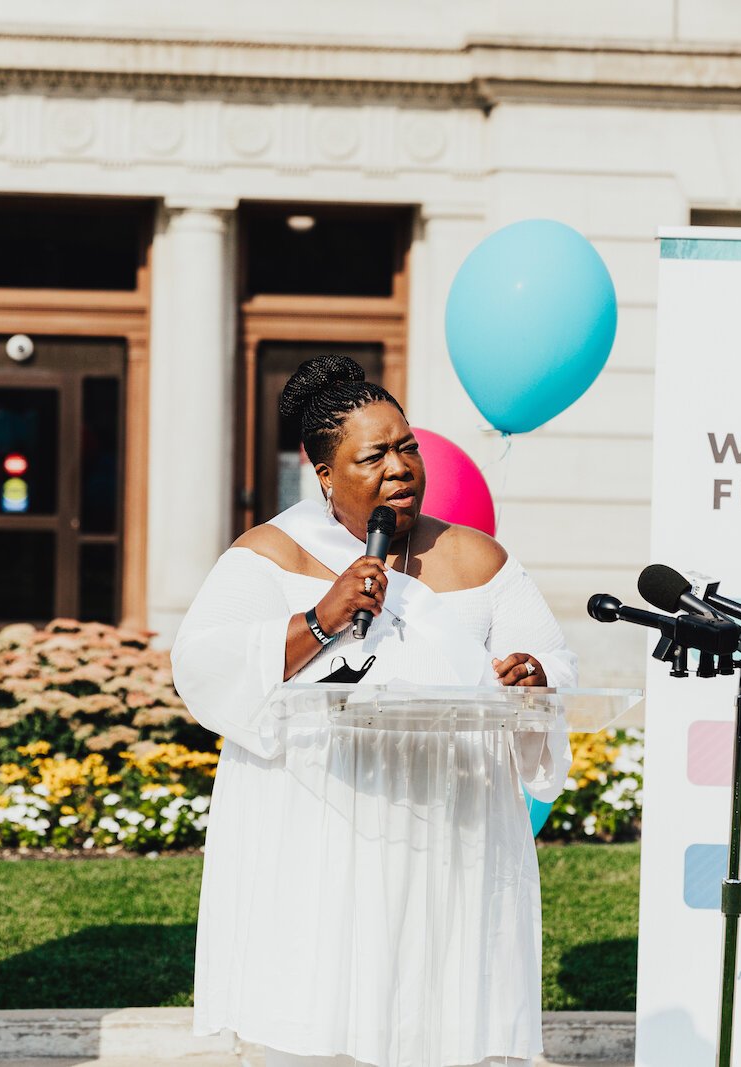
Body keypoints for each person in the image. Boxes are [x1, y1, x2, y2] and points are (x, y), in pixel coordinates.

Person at [170, 355, 577, 1067]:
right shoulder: (269, 553)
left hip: (450, 828)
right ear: (325, 474)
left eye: (407, 447)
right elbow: (204, 664)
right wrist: (320, 618)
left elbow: (553, 666)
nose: (400, 467)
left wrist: (533, 680)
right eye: (375, 455)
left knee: (437, 1013)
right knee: (324, 1016)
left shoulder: (478, 558)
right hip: (322, 827)